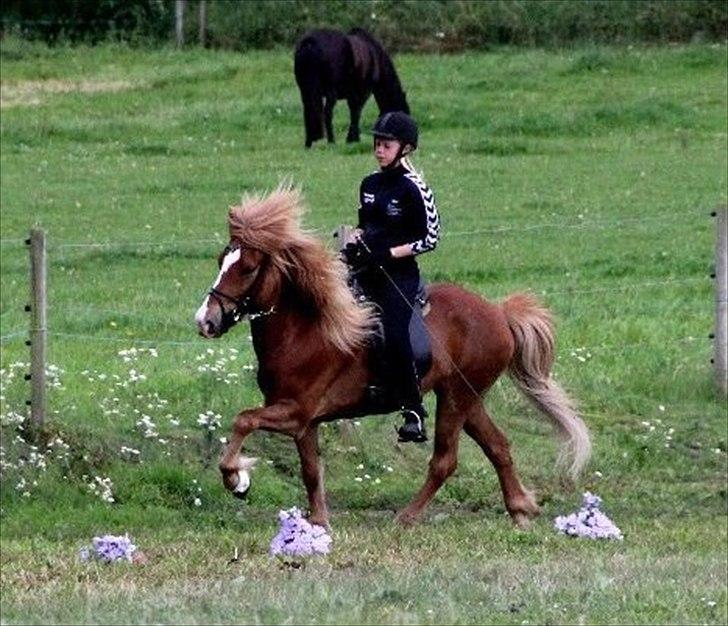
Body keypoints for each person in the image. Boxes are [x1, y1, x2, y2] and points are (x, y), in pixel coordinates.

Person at [343, 111, 440, 443]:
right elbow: (364, 224)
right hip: (364, 270)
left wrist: (388, 253)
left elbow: (431, 238)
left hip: (398, 275)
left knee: (396, 335)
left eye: (386, 144)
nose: (379, 149)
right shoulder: (369, 184)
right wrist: (353, 242)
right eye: (377, 143)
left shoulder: (415, 189)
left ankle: (413, 411)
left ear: (406, 148)